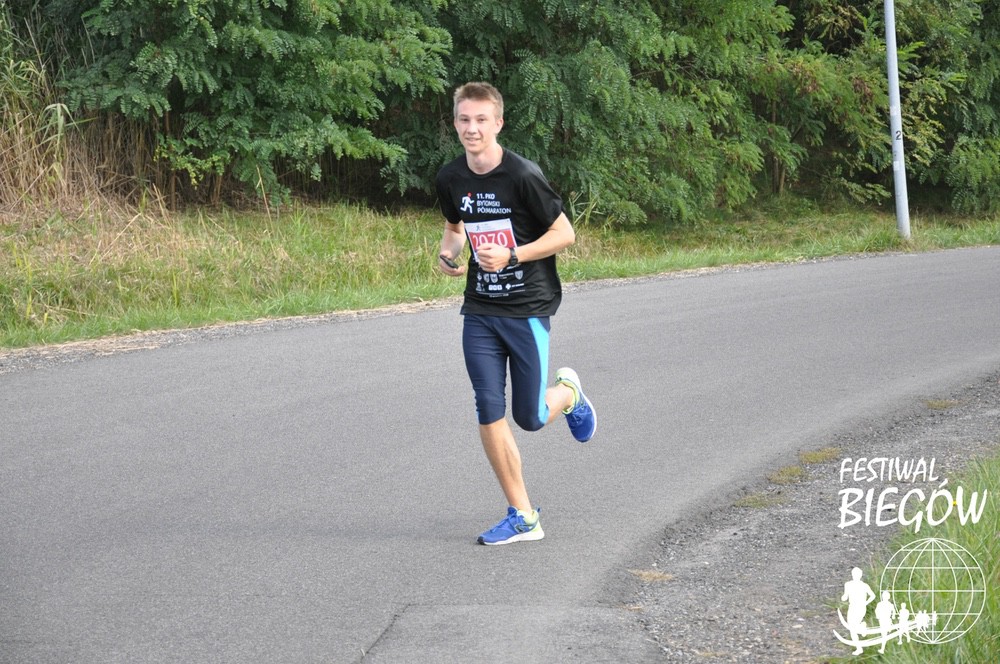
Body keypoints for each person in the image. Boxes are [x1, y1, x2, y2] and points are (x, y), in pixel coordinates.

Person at [435, 81, 597, 545]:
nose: (472, 128)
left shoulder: (522, 174)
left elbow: (564, 234)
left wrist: (512, 255)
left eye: (481, 119)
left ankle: (568, 394)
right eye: (464, 119)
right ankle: (524, 516)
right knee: (488, 408)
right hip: (480, 308)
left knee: (529, 417)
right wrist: (448, 255)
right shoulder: (451, 177)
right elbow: (454, 229)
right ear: (455, 123)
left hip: (526, 308)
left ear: (498, 123)